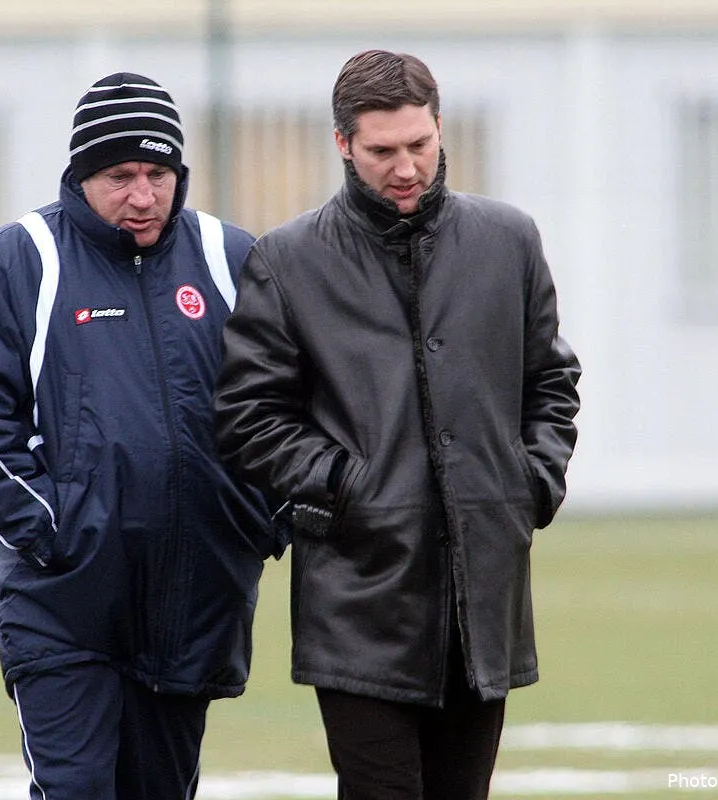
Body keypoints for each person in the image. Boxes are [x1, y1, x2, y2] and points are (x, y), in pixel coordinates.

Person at [214, 50, 582, 800]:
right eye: (383, 151)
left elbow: (551, 382)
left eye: (420, 144)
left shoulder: (509, 241)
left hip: (484, 589)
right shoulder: (286, 261)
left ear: (440, 128)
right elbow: (249, 415)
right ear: (344, 144)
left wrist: (528, 485)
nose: (406, 167)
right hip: (358, 594)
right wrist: (348, 488)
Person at [0, 72, 281, 800]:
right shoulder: (18, 262)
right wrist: (58, 529)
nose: (142, 196)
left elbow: (295, 407)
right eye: (119, 176)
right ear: (81, 175)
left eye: (158, 173)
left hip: (194, 605)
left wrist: (254, 520)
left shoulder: (232, 259)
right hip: (63, 606)